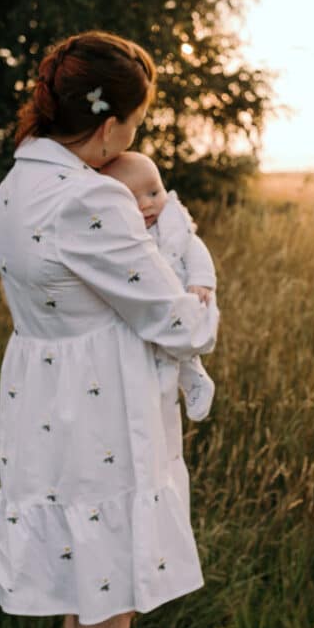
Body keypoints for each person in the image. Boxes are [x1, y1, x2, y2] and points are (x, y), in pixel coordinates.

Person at [0, 31, 220, 628]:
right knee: (104, 624)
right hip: (98, 426)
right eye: (137, 121)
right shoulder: (87, 200)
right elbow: (180, 325)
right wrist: (202, 285)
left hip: (50, 409)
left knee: (90, 597)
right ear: (112, 122)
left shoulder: (19, 182)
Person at [99, 151, 216, 424]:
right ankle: (171, 390)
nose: (147, 205)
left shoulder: (172, 225)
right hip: (148, 307)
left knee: (182, 350)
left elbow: (196, 251)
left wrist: (200, 281)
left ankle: (195, 379)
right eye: (133, 199)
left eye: (154, 192)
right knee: (158, 357)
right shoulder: (122, 234)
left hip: (179, 297)